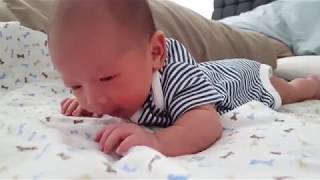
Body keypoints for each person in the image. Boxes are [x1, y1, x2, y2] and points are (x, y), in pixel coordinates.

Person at [48, 0, 320, 156]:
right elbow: (94, 94)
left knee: (286, 91)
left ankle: (309, 84)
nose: (94, 99)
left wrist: (158, 142)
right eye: (76, 85)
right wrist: (87, 105)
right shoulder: (102, 91)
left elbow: (206, 123)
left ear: (155, 53)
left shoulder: (177, 76)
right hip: (214, 72)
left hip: (242, 80)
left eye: (106, 78)